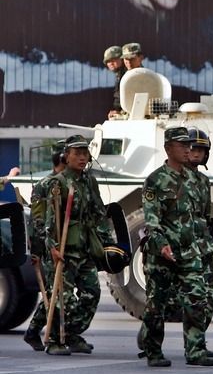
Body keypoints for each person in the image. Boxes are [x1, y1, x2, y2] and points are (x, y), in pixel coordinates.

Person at [139, 127, 213, 367]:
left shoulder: (194, 179)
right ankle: (153, 351)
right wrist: (162, 245)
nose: (187, 149)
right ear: (168, 148)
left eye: (188, 145)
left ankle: (195, 351)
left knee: (197, 298)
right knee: (156, 305)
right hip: (162, 254)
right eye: (182, 145)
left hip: (189, 251)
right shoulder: (155, 180)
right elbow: (151, 220)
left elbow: (200, 216)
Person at [43, 135, 116, 356]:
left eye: (85, 153)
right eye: (77, 154)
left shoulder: (89, 181)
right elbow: (49, 218)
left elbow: (99, 212)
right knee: (62, 297)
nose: (82, 158)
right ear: (67, 156)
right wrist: (52, 246)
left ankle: (73, 333)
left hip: (85, 247)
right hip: (64, 248)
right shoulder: (58, 182)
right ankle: (55, 339)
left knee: (92, 293)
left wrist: (109, 243)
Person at [23, 141, 65, 351]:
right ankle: (39, 333)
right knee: (54, 292)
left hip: (66, 245)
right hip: (48, 247)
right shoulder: (45, 185)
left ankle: (35, 331)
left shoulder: (71, 182)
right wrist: (38, 251)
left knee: (55, 292)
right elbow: (37, 221)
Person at [185, 127, 213, 357]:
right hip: (177, 247)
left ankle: (196, 344)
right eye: (192, 148)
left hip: (201, 246)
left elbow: (205, 215)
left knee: (208, 295)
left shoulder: (203, 181)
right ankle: (149, 342)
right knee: (161, 302)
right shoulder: (170, 177)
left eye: (201, 149)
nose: (197, 153)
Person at [103, 45, 127, 116]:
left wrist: (119, 111)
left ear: (122, 59)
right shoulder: (120, 74)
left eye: (113, 60)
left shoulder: (127, 74)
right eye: (108, 61)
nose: (110, 63)